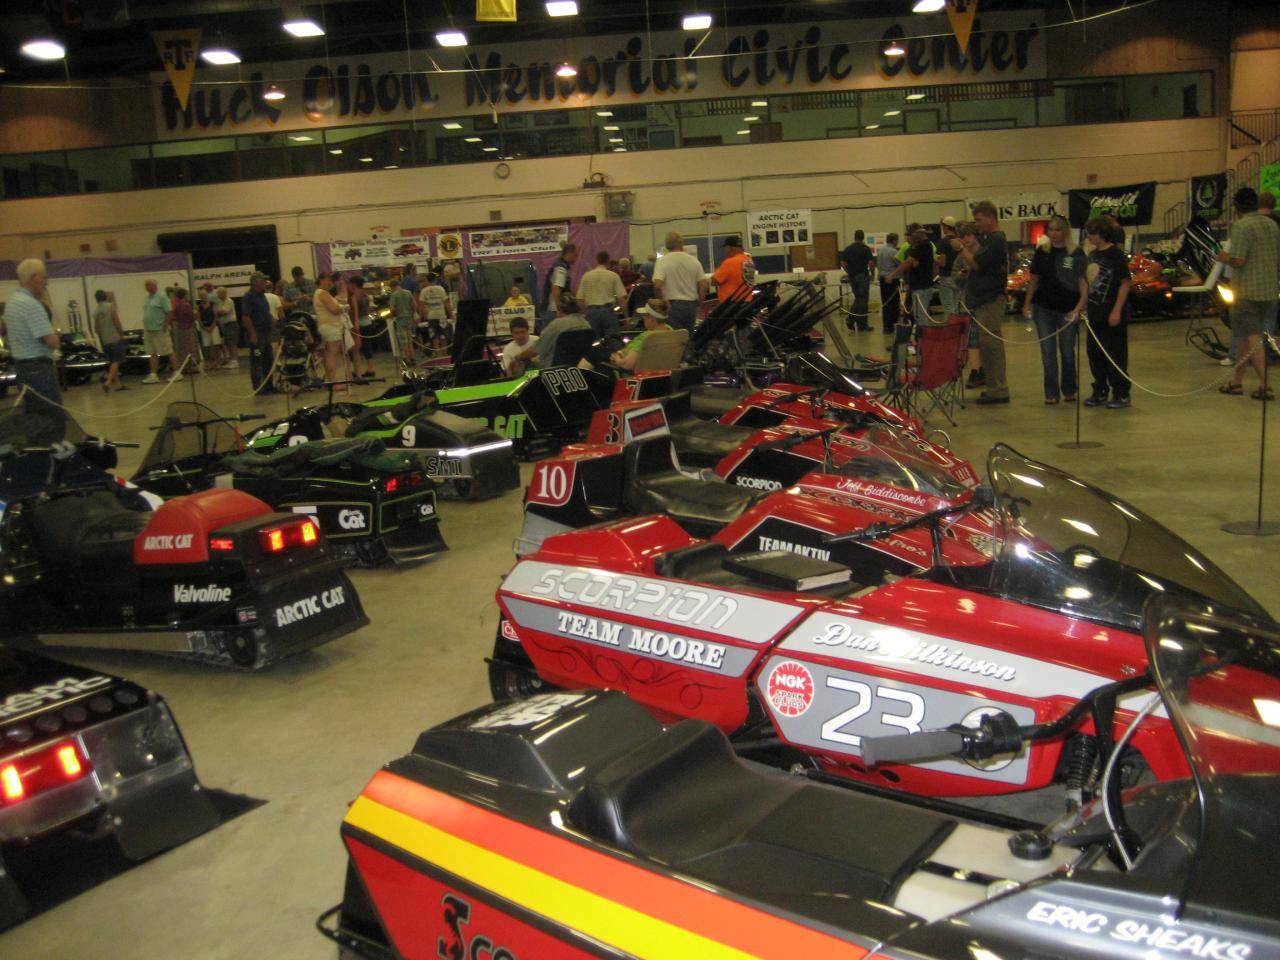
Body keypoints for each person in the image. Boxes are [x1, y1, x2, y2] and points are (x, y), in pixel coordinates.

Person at [1218, 187, 1280, 401]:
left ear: (1236, 206)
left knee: (1253, 339)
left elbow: (1239, 260)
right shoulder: (1272, 224)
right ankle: (1237, 382)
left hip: (1247, 292)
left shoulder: (1241, 226)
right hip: (1270, 290)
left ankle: (1265, 385)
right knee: (1243, 337)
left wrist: (1223, 256)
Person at [1023, 215, 1087, 405]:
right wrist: (1027, 304)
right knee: (1048, 352)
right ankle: (1051, 392)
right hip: (1043, 308)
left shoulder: (1076, 254)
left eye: (1058, 230)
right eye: (1050, 230)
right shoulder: (1042, 252)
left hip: (1068, 309)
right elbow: (1034, 280)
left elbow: (1083, 284)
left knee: (1067, 351)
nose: (1054, 233)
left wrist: (1078, 308)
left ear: (1065, 231)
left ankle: (1069, 389)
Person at [952, 202, 1010, 404]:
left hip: (990, 300)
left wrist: (961, 248)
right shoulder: (989, 240)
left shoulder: (996, 239)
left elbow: (977, 263)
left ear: (990, 217)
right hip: (982, 299)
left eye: (979, 220)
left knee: (991, 344)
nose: (977, 225)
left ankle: (999, 388)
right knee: (987, 345)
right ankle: (995, 386)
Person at [7, 259, 66, 440]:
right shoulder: (31, 305)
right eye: (44, 277)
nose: (46, 282)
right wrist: (56, 335)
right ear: (33, 278)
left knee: (34, 421)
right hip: (38, 370)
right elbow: (50, 341)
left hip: (22, 369)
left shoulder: (13, 302)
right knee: (53, 419)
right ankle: (53, 459)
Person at [1082, 218, 1133, 409]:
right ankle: (1100, 389)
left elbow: (1124, 283)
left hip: (1111, 311)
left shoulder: (1116, 256)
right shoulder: (1092, 255)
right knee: (1095, 354)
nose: (1089, 237)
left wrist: (1117, 310)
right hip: (1095, 313)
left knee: (1116, 354)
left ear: (1100, 234)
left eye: (1092, 233)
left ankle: (1121, 392)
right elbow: (1087, 282)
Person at [652, 232, 707, 332]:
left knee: (674, 338)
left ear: (667, 246)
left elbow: (657, 286)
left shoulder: (662, 261)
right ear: (681, 244)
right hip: (691, 305)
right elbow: (703, 285)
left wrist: (662, 301)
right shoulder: (694, 261)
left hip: (672, 305)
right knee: (687, 337)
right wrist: (699, 302)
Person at [886, 223, 937, 328]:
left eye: (911, 235)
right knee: (918, 315)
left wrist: (892, 274)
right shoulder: (919, 246)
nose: (909, 238)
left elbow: (909, 262)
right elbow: (914, 263)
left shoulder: (923, 245)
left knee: (921, 316)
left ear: (917, 233)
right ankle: (920, 338)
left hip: (922, 286)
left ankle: (924, 339)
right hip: (919, 285)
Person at [576, 250, 627, 345]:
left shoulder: (586, 276)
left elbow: (579, 299)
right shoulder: (613, 276)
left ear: (597, 260)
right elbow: (621, 299)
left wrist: (586, 311)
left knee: (593, 343)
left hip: (591, 312)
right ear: (608, 261)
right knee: (613, 341)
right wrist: (626, 317)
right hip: (608, 312)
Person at [609, 300, 673, 372]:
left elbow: (627, 364)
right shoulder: (670, 331)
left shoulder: (647, 337)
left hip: (636, 377)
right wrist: (621, 352)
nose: (643, 318)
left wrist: (616, 359)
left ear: (652, 319)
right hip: (662, 374)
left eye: (644, 315)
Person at [533, 293, 592, 367]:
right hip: (578, 368)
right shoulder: (586, 324)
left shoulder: (557, 324)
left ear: (560, 310)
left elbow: (536, 350)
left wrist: (519, 356)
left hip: (552, 369)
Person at [242, 271, 276, 393]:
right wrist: (252, 334)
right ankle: (258, 387)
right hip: (257, 333)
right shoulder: (248, 297)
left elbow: (265, 311)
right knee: (257, 360)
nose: (265, 283)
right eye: (263, 280)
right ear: (256, 282)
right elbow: (246, 316)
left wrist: (271, 319)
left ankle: (269, 385)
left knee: (268, 359)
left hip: (266, 333)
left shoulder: (262, 295)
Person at [141, 278, 180, 384]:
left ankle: (177, 372)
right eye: (146, 285)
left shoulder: (162, 296)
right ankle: (153, 375)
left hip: (160, 329)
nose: (147, 287)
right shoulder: (148, 298)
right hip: (149, 330)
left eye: (148, 285)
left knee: (168, 350)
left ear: (154, 286)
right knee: (152, 352)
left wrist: (165, 325)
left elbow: (169, 312)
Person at [314, 272, 348, 388]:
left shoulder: (320, 293)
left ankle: (331, 381)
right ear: (321, 280)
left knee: (328, 356)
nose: (330, 283)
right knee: (332, 356)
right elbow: (333, 309)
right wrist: (344, 308)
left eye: (331, 281)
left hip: (326, 326)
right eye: (328, 280)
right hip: (331, 327)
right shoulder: (322, 293)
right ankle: (333, 383)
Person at [839, 230, 874, 331]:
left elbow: (842, 263)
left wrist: (849, 272)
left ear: (855, 237)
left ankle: (851, 320)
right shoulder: (865, 248)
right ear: (863, 238)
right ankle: (861, 325)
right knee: (862, 300)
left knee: (858, 299)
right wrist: (872, 274)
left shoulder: (848, 249)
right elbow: (871, 263)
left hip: (852, 277)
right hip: (862, 276)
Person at [539, 242, 578, 332]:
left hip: (551, 309)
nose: (577, 258)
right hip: (553, 310)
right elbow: (556, 288)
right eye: (576, 255)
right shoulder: (561, 268)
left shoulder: (559, 265)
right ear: (569, 253)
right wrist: (559, 309)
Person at [92, 289, 126, 392]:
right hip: (114, 337)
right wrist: (121, 333)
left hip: (105, 340)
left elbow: (96, 329)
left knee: (112, 362)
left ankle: (118, 385)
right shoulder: (110, 306)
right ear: (105, 297)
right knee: (117, 361)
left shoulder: (96, 311)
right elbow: (116, 321)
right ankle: (108, 382)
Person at [712, 235, 756, 304]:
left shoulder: (730, 262)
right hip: (747, 301)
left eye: (725, 248)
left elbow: (714, 281)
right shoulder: (748, 260)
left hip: (731, 304)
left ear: (730, 248)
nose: (725, 251)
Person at [349, 276, 377, 378]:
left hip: (358, 323)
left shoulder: (354, 296)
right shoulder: (366, 295)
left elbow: (355, 311)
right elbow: (369, 308)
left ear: (354, 284)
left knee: (355, 348)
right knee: (367, 346)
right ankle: (371, 368)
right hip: (367, 321)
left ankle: (356, 370)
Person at [169, 288, 200, 377]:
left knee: (182, 348)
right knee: (190, 347)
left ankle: (184, 366)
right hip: (189, 328)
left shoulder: (177, 305)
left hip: (180, 328)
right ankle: (192, 366)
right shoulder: (186, 305)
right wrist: (196, 313)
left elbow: (175, 316)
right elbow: (192, 317)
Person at [875, 233, 900, 334]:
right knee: (894, 303)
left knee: (885, 303)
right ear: (894, 241)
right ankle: (894, 325)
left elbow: (878, 265)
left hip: (882, 279)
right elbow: (900, 265)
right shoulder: (894, 252)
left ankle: (886, 326)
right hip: (892, 279)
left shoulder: (880, 251)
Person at [936, 217, 961, 317]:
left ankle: (951, 330)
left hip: (946, 277)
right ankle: (958, 330)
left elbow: (943, 263)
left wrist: (934, 260)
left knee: (948, 307)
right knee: (956, 306)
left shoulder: (944, 241)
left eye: (943, 226)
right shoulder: (959, 240)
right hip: (958, 277)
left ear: (946, 226)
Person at [388, 276, 417, 360]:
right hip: (409, 318)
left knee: (404, 341)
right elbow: (414, 304)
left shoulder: (394, 295)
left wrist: (391, 316)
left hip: (400, 320)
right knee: (409, 340)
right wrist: (413, 313)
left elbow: (392, 308)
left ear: (392, 286)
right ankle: (413, 357)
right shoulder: (408, 292)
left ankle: (407, 358)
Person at [195, 286, 224, 371]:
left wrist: (212, 326)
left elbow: (215, 316)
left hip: (213, 327)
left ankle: (217, 362)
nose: (203, 297)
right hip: (204, 328)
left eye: (204, 295)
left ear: (207, 295)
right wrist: (204, 327)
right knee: (206, 346)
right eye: (201, 296)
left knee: (216, 345)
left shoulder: (212, 304)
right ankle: (209, 362)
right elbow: (198, 318)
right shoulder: (198, 307)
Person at [420, 272, 454, 342]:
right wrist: (451, 314)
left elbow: (422, 307)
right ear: (435, 279)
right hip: (441, 316)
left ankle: (437, 353)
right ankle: (444, 353)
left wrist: (423, 317)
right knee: (443, 337)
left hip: (431, 317)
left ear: (427, 280)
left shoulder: (424, 291)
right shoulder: (440, 289)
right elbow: (446, 303)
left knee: (434, 338)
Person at [214, 286, 239, 368]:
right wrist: (220, 312)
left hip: (231, 324)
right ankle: (231, 360)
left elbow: (226, 312)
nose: (217, 295)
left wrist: (220, 312)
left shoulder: (229, 301)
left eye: (219, 293)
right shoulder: (219, 302)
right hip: (224, 325)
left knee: (232, 343)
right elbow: (216, 313)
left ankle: (235, 360)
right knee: (228, 343)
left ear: (224, 293)